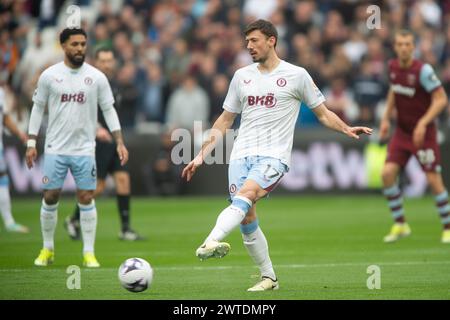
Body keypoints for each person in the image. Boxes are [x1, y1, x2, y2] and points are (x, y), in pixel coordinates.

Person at [182, 20, 372, 291]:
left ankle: (210, 240)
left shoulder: (297, 75)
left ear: (272, 40)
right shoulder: (241, 76)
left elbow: (322, 113)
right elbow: (225, 120)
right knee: (247, 217)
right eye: (247, 42)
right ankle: (269, 277)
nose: (249, 46)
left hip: (273, 156)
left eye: (254, 41)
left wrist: (346, 128)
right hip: (240, 154)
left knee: (245, 196)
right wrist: (201, 155)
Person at [26, 28, 129, 267]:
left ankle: (88, 252)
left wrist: (120, 141)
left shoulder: (96, 77)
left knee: (86, 196)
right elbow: (37, 108)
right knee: (50, 196)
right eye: (75, 44)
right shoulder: (49, 76)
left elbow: (108, 109)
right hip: (55, 147)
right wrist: (31, 142)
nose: (80, 48)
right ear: (63, 46)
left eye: (83, 44)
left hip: (84, 149)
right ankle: (47, 249)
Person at [64, 48, 142, 241]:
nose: (107, 64)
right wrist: (97, 128)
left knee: (123, 181)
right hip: (96, 142)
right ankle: (73, 219)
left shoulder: (115, 84)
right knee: (97, 187)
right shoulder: (89, 83)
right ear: (95, 62)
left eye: (109, 60)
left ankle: (125, 229)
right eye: (103, 60)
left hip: (115, 141)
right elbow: (79, 110)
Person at [379, 29, 450, 244]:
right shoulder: (392, 67)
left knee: (433, 180)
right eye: (400, 44)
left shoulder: (423, 71)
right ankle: (401, 224)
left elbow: (441, 100)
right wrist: (385, 119)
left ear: (414, 47)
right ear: (395, 47)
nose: (403, 48)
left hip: (423, 134)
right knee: (387, 174)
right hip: (402, 131)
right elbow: (394, 91)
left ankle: (447, 227)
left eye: (407, 44)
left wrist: (423, 122)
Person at [0, 86, 29, 233]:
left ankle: (9, 222)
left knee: (3, 180)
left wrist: (19, 133)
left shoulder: (1, 92)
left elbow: (4, 117)